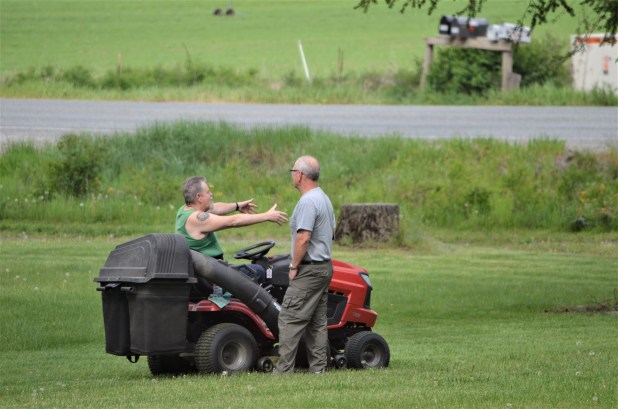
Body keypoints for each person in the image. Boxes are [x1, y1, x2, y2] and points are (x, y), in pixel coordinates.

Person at [276, 155, 335, 375]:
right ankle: (318, 370)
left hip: (309, 269)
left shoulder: (308, 202)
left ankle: (283, 371)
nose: (291, 175)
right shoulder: (323, 198)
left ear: (299, 175)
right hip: (324, 267)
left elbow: (303, 238)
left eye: (293, 171)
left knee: (289, 317)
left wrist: (293, 266)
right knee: (317, 322)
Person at [176, 176, 288, 279]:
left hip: (211, 269)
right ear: (199, 197)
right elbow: (233, 221)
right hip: (211, 277)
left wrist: (237, 206)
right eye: (208, 192)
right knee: (258, 271)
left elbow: (216, 208)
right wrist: (266, 216)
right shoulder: (196, 218)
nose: (211, 194)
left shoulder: (185, 209)